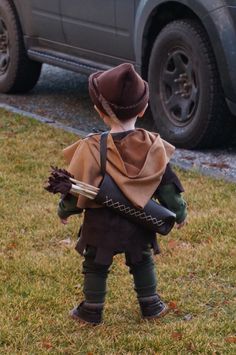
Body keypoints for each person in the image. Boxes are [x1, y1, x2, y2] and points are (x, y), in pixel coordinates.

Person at [57, 63, 187, 325]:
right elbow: (168, 187)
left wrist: (65, 209)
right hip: (139, 218)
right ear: (143, 108)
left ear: (99, 112)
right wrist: (179, 211)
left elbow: (76, 185)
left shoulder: (91, 147)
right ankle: (150, 304)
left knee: (95, 263)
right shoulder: (154, 146)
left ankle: (92, 309)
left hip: (100, 222)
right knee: (141, 260)